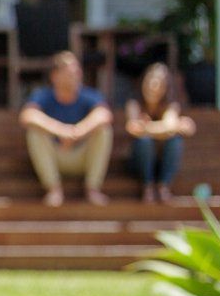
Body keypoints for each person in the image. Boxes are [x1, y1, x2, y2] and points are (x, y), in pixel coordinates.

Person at [18, 51, 114, 207]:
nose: (76, 74)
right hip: (56, 155)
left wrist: (77, 132)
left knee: (104, 131)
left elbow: (105, 114)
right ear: (55, 75)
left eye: (77, 70)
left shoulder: (89, 95)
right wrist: (61, 131)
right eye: (70, 70)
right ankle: (53, 189)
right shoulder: (43, 95)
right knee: (34, 132)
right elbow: (27, 115)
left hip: (81, 156)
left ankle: (92, 188)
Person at [124, 62, 196, 204]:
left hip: (162, 161)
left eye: (159, 83)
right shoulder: (134, 104)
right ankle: (148, 186)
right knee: (144, 142)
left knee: (175, 141)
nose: (153, 86)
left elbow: (169, 127)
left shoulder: (171, 105)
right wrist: (168, 128)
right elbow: (133, 128)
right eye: (150, 81)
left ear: (166, 88)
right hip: (138, 162)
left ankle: (163, 186)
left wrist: (147, 128)